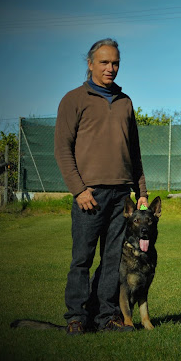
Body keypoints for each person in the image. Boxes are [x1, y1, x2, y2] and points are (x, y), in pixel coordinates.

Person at [54, 38, 148, 335]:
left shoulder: (125, 102)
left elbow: (134, 152)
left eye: (115, 63)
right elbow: (62, 148)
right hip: (89, 195)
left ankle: (107, 317)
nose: (111, 68)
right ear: (90, 64)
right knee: (82, 258)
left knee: (111, 260)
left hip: (122, 195)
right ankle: (76, 318)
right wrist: (79, 190)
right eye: (104, 62)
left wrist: (142, 192)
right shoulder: (74, 99)